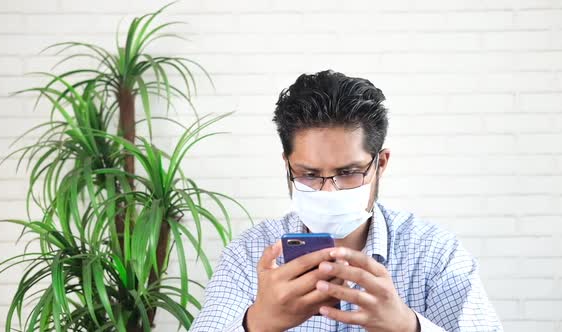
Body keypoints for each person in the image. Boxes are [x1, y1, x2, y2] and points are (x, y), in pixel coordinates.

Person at [189, 70, 502, 331]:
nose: (329, 192)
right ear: (287, 165)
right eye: (309, 174)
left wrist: (409, 326)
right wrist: (255, 323)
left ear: (380, 164)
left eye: (349, 172)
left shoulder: (434, 254)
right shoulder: (250, 255)